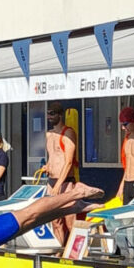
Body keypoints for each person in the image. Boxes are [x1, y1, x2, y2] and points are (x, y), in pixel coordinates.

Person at [44, 102, 79, 243]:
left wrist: (59, 184)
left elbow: (68, 162)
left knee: (70, 221)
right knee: (55, 222)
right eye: (47, 113)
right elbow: (53, 156)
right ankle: (60, 250)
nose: (49, 117)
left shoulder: (68, 133)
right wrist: (47, 166)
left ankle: (75, 252)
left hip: (65, 181)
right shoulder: (49, 134)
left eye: (52, 113)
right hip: (52, 180)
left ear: (60, 115)